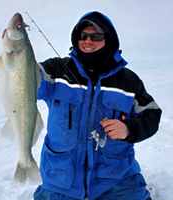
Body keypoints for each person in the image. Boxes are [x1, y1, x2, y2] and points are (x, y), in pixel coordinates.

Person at [34, 11, 162, 200]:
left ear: (108, 39)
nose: (88, 41)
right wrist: (16, 48)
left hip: (117, 180)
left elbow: (152, 114)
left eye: (96, 36)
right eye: (83, 36)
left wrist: (128, 128)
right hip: (59, 181)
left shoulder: (128, 81)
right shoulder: (56, 71)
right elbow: (25, 77)